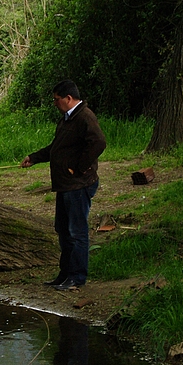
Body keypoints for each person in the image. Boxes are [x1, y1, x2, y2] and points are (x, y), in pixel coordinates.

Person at [20, 80, 106, 290]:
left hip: (78, 185)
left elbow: (98, 142)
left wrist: (79, 168)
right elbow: (57, 148)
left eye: (56, 100)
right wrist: (34, 157)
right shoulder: (67, 120)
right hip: (64, 185)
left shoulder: (85, 117)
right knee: (63, 230)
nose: (55, 103)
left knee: (77, 232)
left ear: (68, 98)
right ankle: (65, 274)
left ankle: (77, 278)